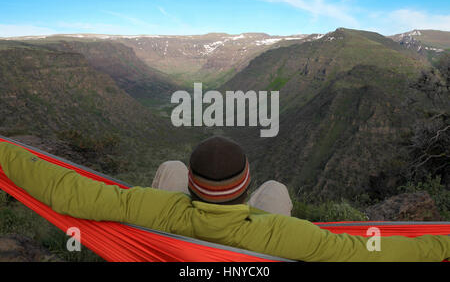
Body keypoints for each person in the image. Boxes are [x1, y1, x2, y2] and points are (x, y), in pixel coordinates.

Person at [0, 140, 449, 262]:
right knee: (276, 192)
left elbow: (63, 188)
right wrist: (441, 245)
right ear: (244, 184)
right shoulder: (287, 236)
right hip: (252, 246)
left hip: (169, 240)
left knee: (170, 166)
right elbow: (368, 251)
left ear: (193, 186)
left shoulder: (153, 208)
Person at [151, 136, 293, 216]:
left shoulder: (163, 217)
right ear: (246, 189)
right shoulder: (274, 233)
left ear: (190, 187)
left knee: (173, 167)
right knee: (275, 189)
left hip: (181, 236)